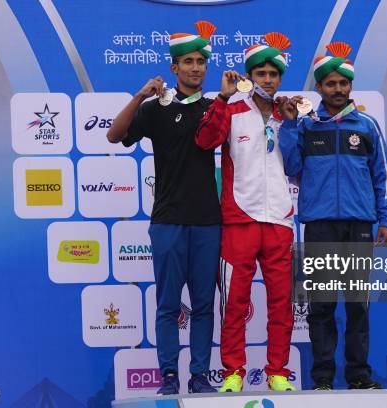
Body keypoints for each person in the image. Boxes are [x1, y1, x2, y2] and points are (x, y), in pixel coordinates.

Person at [107, 21, 221, 395]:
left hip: (208, 221)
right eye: (187, 62)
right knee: (168, 304)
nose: (195, 68)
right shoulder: (156, 109)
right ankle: (169, 375)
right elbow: (114, 135)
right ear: (174, 67)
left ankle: (200, 375)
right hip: (168, 221)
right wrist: (140, 95)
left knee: (204, 304)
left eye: (201, 62)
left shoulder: (215, 108)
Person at [277, 42, 387, 390]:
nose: (338, 90)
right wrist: (288, 127)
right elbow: (292, 166)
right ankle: (323, 379)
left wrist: (385, 220)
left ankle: (359, 376)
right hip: (320, 224)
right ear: (318, 88)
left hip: (359, 224)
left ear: (350, 87)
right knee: (322, 305)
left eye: (343, 84)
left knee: (358, 306)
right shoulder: (308, 127)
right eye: (330, 84)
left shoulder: (367, 125)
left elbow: (383, 175)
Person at [195, 32, 295, 392]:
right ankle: (234, 371)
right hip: (239, 219)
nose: (268, 79)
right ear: (250, 75)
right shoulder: (232, 109)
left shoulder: (290, 112)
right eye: (261, 73)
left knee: (282, 303)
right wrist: (222, 97)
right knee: (234, 302)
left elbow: (299, 163)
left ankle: (278, 373)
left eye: (273, 73)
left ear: (280, 77)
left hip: (280, 221)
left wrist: (293, 122)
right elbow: (205, 141)